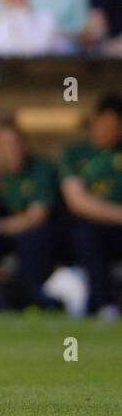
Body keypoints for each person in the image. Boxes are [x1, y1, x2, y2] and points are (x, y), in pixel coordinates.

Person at [0, 119, 61, 309]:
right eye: (4, 146)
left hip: (34, 234)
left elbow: (37, 215)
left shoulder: (40, 168)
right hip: (6, 233)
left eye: (15, 143)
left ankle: (31, 297)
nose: (11, 150)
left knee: (35, 237)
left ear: (24, 144)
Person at [59, 94, 122, 317]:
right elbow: (78, 202)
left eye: (117, 127)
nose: (112, 132)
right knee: (86, 235)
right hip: (90, 229)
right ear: (94, 120)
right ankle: (103, 304)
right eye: (108, 125)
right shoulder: (75, 153)